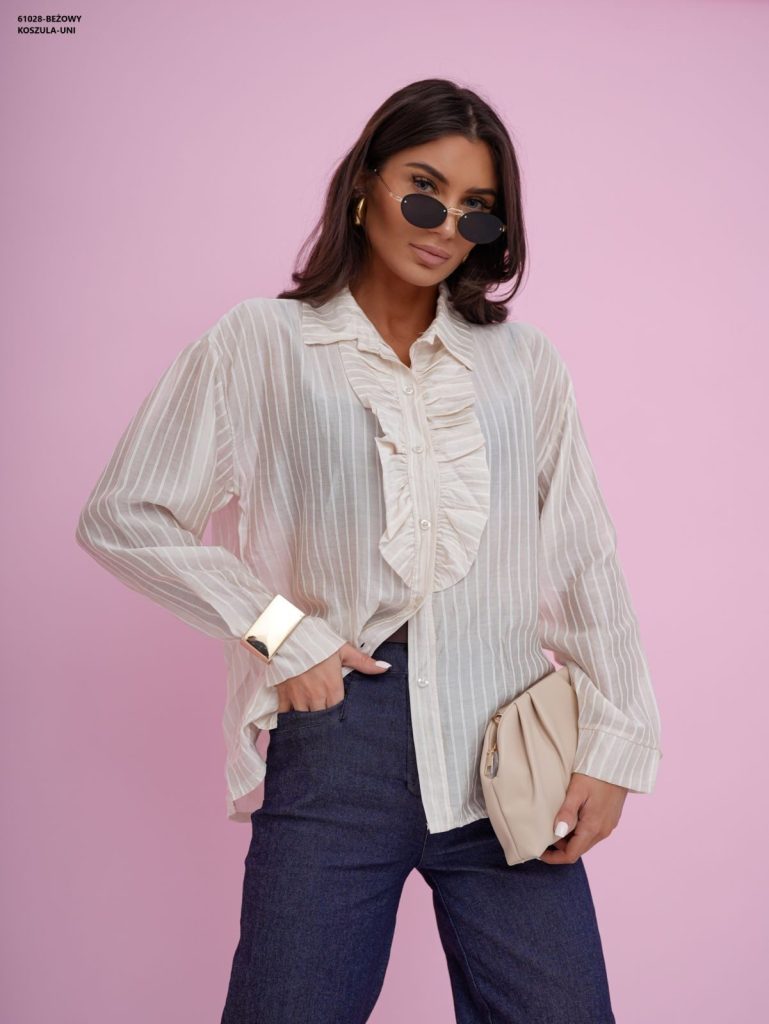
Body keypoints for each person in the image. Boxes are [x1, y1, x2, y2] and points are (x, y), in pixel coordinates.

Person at [75, 77, 663, 1024]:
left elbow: (581, 559)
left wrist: (615, 745)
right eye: (423, 191)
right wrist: (281, 634)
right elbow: (125, 513)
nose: (444, 227)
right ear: (364, 185)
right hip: (337, 743)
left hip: (506, 745)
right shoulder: (261, 344)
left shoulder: (523, 366)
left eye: (476, 210)